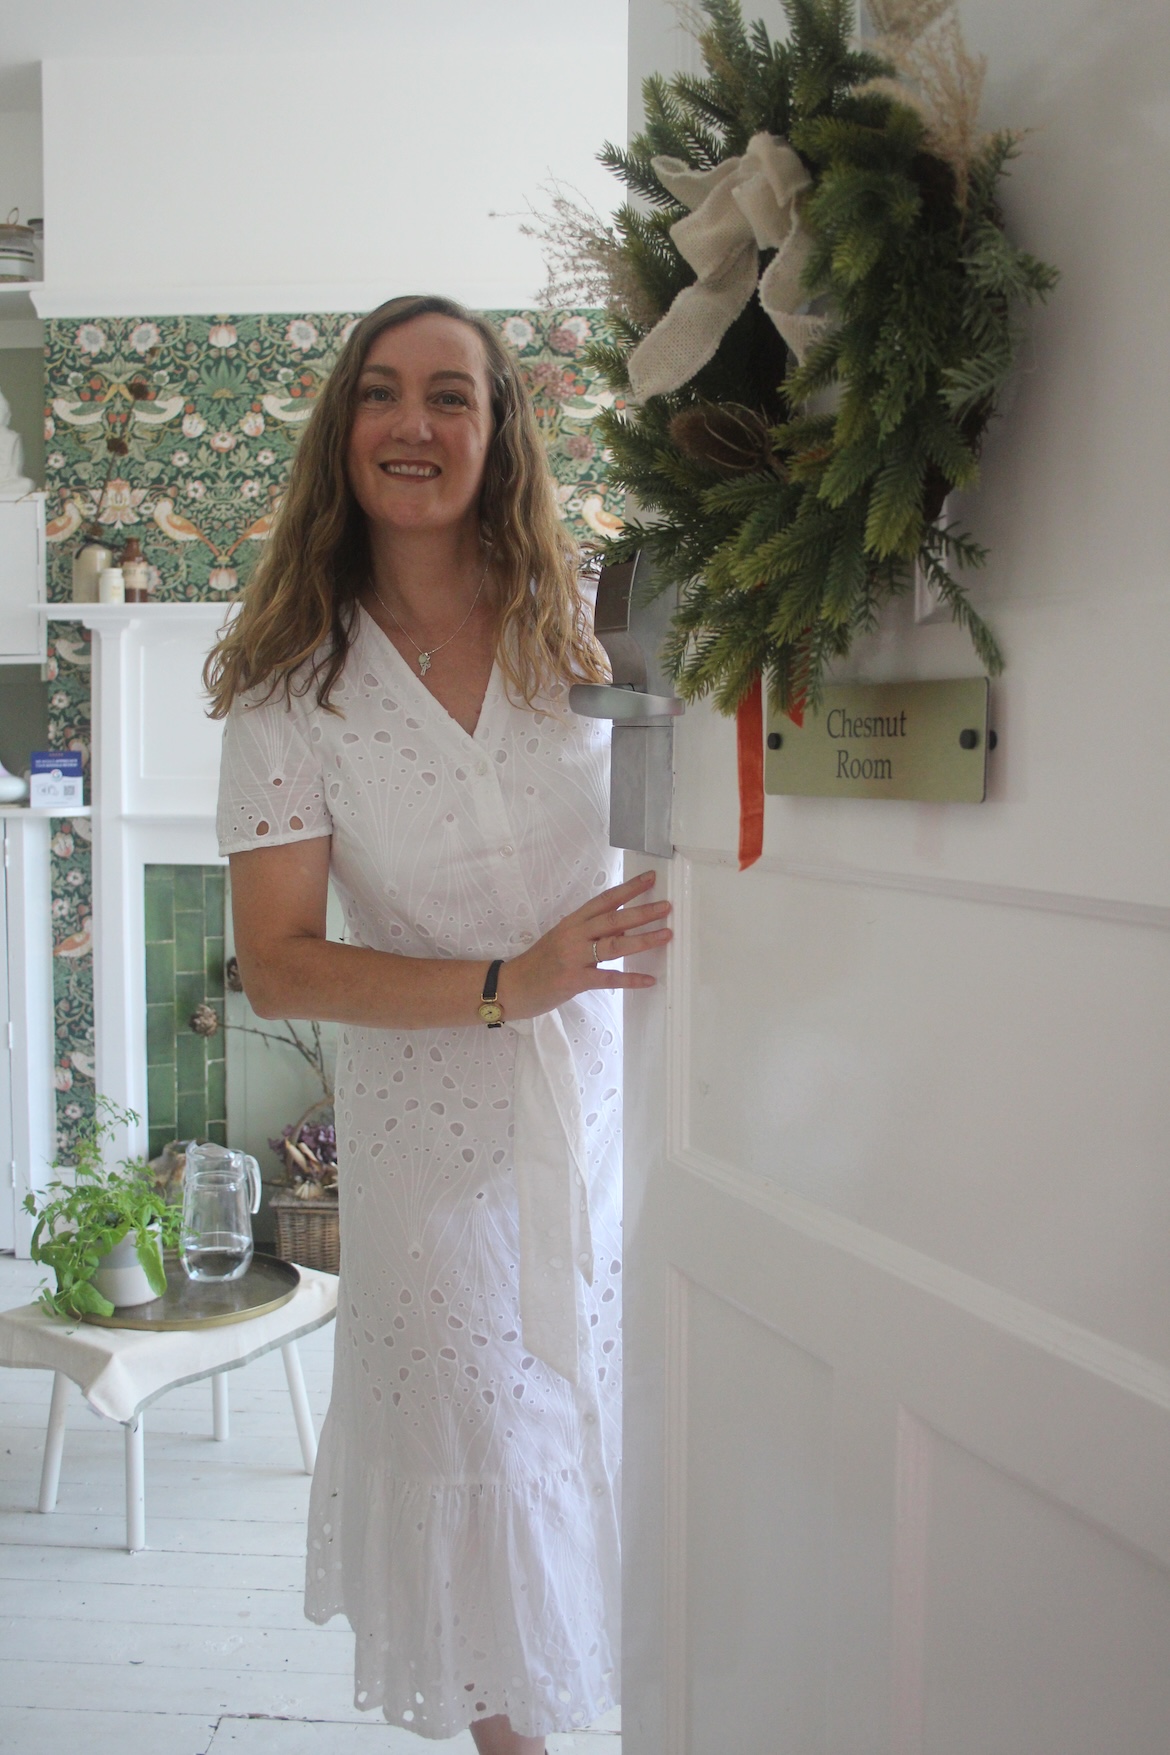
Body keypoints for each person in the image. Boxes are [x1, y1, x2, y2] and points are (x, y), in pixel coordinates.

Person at [206, 294, 672, 1754]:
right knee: (482, 1457)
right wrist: (501, 984)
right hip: (430, 1149)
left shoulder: (588, 623)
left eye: (450, 395)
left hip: (625, 1107)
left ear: (498, 430)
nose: (413, 424)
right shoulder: (291, 683)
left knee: (633, 1437)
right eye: (382, 392)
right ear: (342, 430)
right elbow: (279, 965)